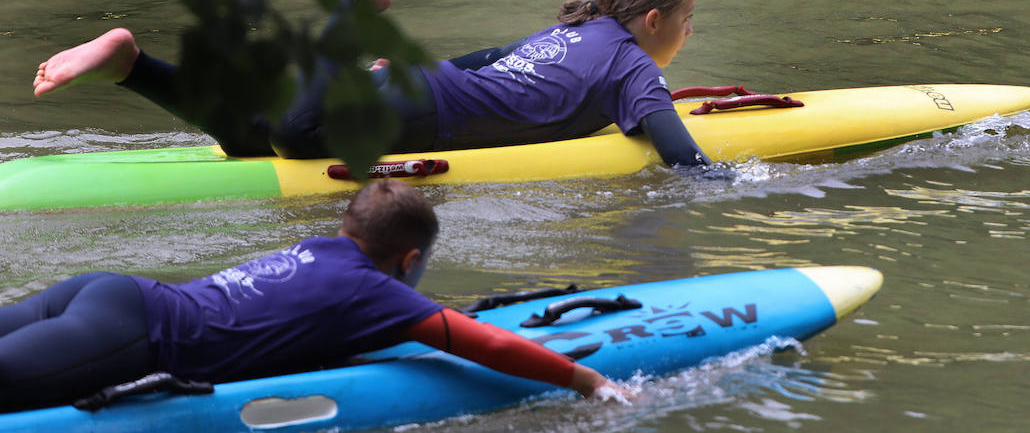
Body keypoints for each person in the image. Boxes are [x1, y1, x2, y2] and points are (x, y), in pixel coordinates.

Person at [32, 0, 712, 169]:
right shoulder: (632, 68)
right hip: (429, 111)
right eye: (687, 19)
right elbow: (680, 155)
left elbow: (493, 62)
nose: (689, 31)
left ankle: (134, 66)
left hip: (420, 86)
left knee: (254, 136)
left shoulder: (579, 26)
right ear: (654, 21)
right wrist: (745, 179)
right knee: (297, 134)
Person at [0, 180, 627, 412]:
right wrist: (587, 382)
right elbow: (486, 343)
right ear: (409, 261)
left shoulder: (317, 250)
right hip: (131, 337)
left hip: (110, 292)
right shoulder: (375, 291)